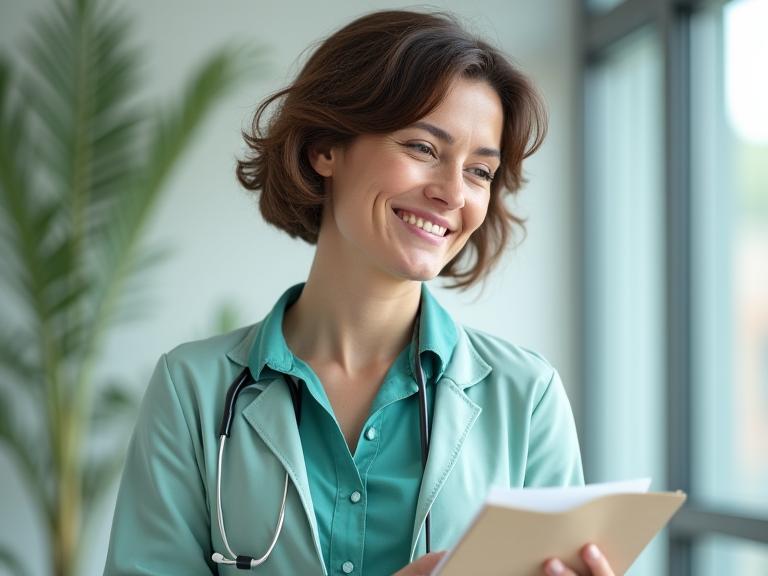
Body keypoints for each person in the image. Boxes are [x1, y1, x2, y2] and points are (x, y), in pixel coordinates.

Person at [104, 10, 618, 576]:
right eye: (424, 148)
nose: (452, 193)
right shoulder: (192, 391)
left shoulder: (527, 397)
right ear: (325, 147)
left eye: (479, 171)